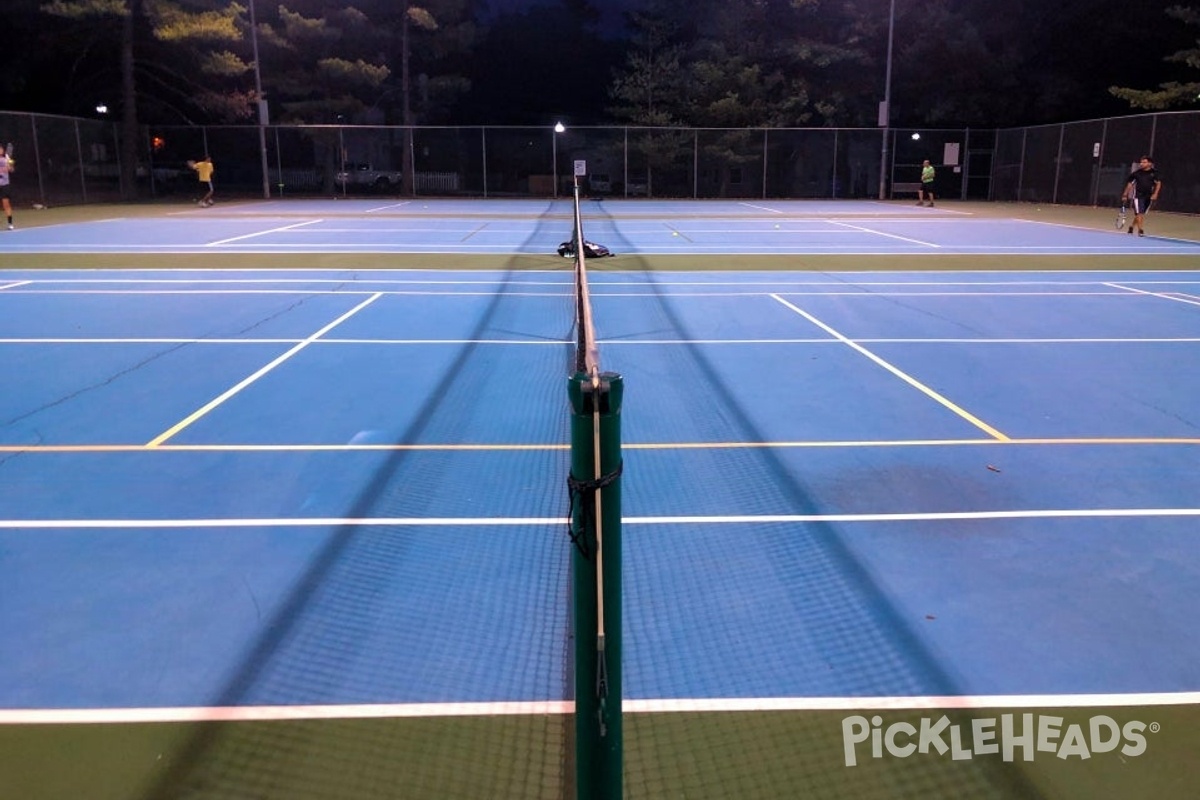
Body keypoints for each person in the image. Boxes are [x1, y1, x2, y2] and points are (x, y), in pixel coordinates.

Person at [1122, 155, 1161, 237]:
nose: (1141, 163)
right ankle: (1140, 230)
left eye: (1144, 162)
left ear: (1150, 163)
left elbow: (1158, 184)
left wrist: (1155, 193)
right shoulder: (1136, 174)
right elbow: (1129, 184)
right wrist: (1125, 194)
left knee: (1140, 214)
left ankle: (1131, 227)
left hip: (1148, 196)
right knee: (1140, 213)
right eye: (1141, 162)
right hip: (1138, 196)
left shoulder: (1154, 173)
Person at [0, 144, 14, 229]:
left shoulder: (7, 159)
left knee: (6, 205)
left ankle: (10, 224)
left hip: (5, 185)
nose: (0, 150)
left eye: (1, 148)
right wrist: (4, 168)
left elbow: (12, 169)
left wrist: (10, 164)